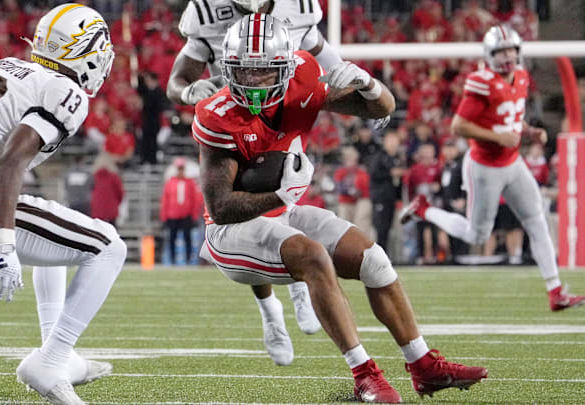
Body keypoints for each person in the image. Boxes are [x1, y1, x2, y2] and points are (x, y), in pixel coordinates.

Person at [195, 14, 487, 403]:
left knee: (373, 259)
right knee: (312, 255)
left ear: (284, 67)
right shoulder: (218, 115)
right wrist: (282, 195)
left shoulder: (302, 81)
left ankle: (423, 366)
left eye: (265, 72)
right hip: (230, 232)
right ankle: (365, 375)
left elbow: (379, 108)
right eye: (244, 72)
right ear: (228, 69)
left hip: (280, 212)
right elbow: (223, 207)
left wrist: (367, 82)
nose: (254, 82)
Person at [0, 5, 125, 405]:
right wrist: (5, 243)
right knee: (109, 247)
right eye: (98, 50)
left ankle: (59, 358)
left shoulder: (9, 66)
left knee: (55, 235)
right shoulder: (65, 91)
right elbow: (11, 160)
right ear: (81, 50)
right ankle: (52, 359)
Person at [167, 0, 342, 356]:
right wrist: (188, 91)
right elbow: (176, 80)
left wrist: (356, 85)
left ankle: (295, 288)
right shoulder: (207, 11)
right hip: (232, 121)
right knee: (244, 214)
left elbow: (328, 60)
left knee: (282, 198)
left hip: (282, 112)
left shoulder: (299, 8)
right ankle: (270, 312)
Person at [401, 25, 584, 311]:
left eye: (511, 50)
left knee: (537, 220)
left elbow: (510, 117)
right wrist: (499, 138)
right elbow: (458, 126)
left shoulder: (521, 77)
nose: (508, 56)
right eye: (501, 52)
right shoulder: (481, 82)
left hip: (513, 162)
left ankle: (555, 291)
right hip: (484, 167)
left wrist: (530, 132)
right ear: (490, 55)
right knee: (477, 235)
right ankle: (425, 210)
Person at [368, 129, 405, 254]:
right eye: (390, 140)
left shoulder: (396, 158)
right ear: (385, 142)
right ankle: (379, 255)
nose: (393, 143)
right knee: (381, 228)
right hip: (381, 197)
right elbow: (373, 173)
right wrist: (390, 173)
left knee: (388, 228)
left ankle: (385, 254)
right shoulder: (379, 156)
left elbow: (398, 181)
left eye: (395, 140)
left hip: (390, 198)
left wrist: (399, 198)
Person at [160, 157, 201, 265]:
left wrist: (194, 214)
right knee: (172, 238)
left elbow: (194, 200)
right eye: (179, 168)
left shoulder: (189, 183)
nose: (180, 171)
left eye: (182, 168)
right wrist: (164, 216)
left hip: (186, 215)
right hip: (172, 215)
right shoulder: (170, 183)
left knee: (188, 238)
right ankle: (172, 259)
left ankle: (188, 259)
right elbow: (165, 200)